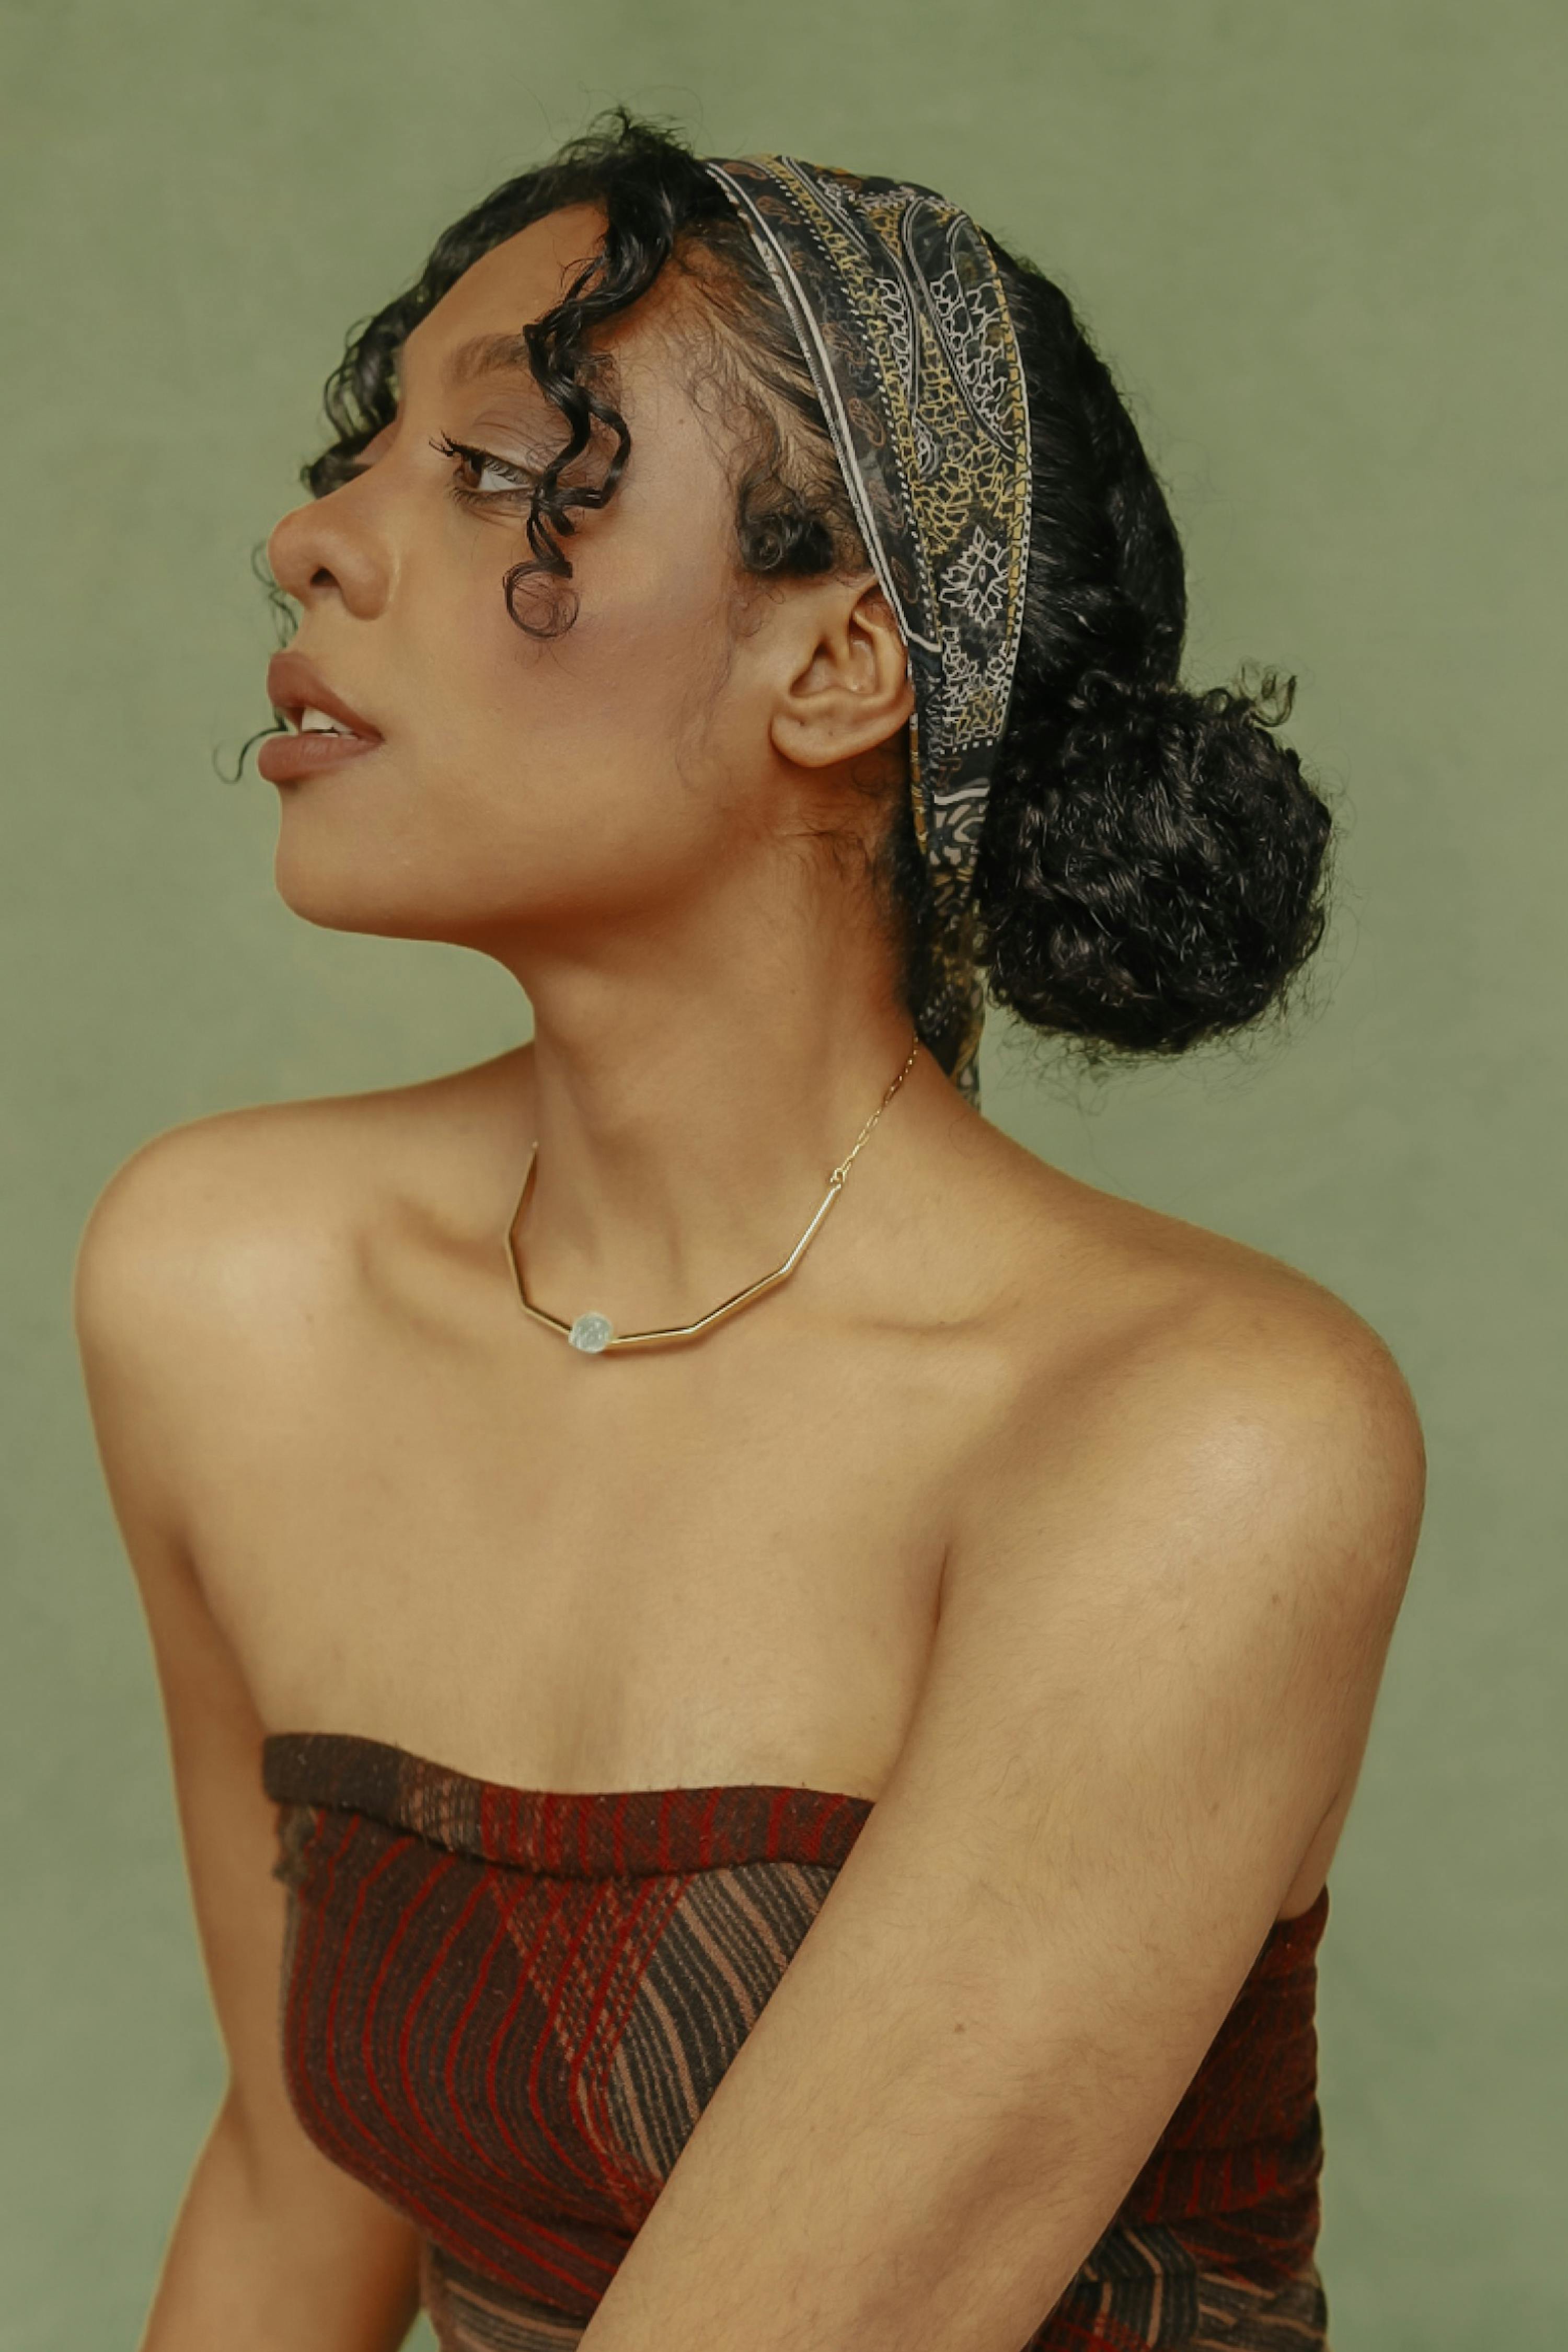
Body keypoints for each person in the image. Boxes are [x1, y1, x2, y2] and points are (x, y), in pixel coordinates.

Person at [72, 110, 1424, 2352]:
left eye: (503, 474)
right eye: (367, 450)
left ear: (837, 669)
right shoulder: (231, 1291)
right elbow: (295, 2188)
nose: (312, 540)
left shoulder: (1203, 1442)